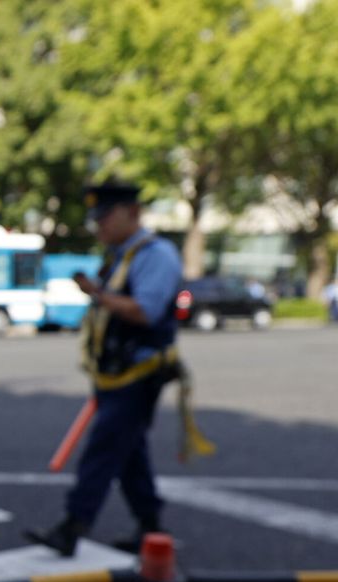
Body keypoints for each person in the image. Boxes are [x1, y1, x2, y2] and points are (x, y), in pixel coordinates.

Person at [26, 181, 211, 557]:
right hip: (115, 373)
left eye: (105, 217)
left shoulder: (154, 255)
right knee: (129, 455)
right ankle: (151, 527)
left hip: (138, 374)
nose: (99, 227)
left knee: (104, 448)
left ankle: (73, 526)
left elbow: (145, 311)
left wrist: (96, 293)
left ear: (133, 213)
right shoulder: (120, 255)